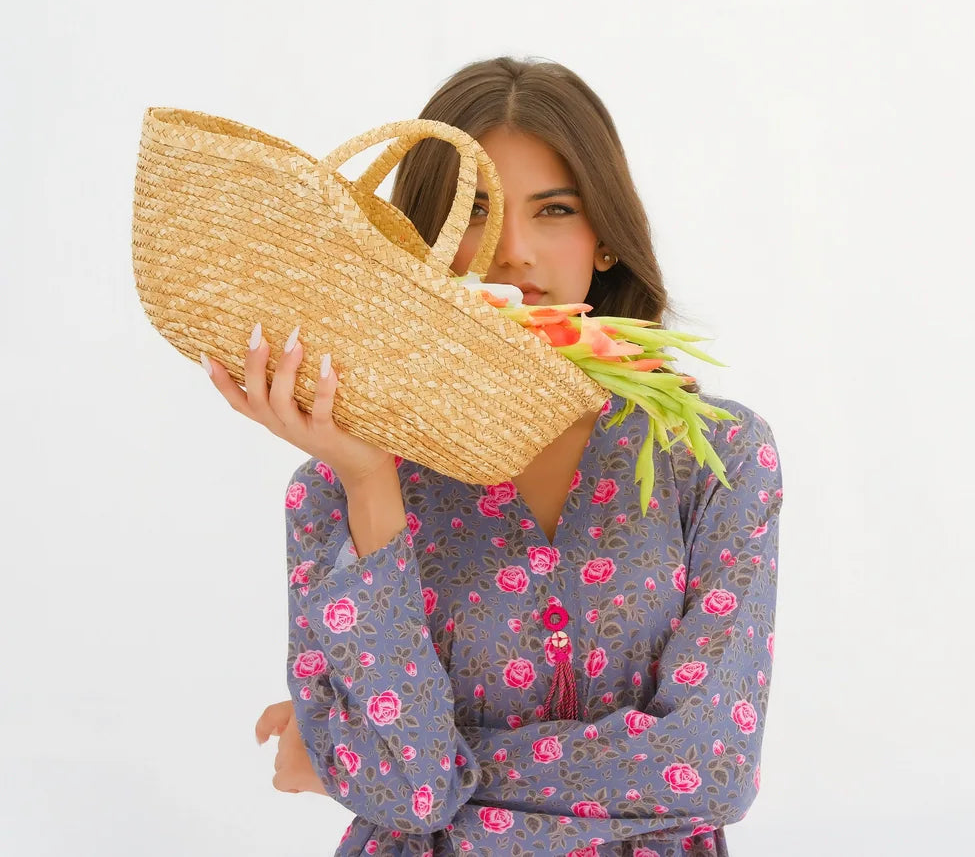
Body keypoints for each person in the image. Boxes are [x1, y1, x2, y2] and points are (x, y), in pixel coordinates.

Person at [203, 56, 784, 857]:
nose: (513, 251)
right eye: (476, 211)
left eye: (555, 210)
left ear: (605, 237)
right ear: (421, 242)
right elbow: (409, 794)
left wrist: (350, 761)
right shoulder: (333, 490)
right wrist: (370, 482)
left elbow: (712, 769)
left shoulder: (714, 456)